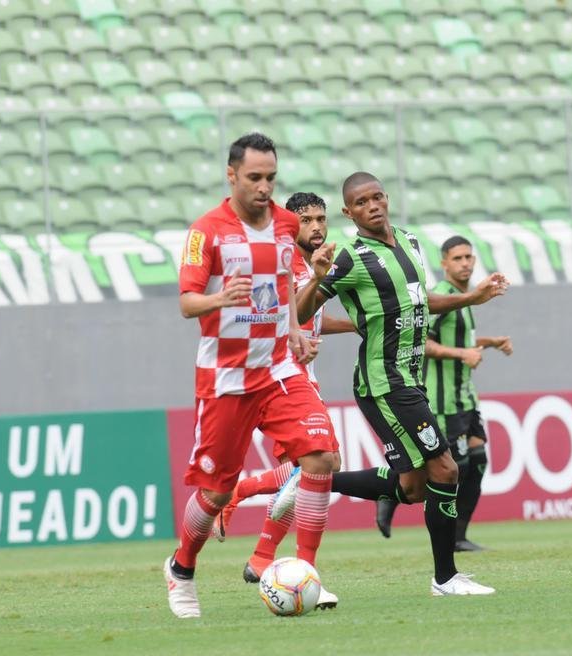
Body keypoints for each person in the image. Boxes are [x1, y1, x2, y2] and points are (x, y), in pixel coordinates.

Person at [293, 172, 508, 596]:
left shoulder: (409, 242)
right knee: (445, 469)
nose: (372, 206)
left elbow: (422, 302)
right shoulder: (349, 258)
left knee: (411, 488)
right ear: (348, 212)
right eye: (361, 202)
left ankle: (309, 482)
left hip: (410, 379)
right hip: (385, 383)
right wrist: (317, 278)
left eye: (377, 197)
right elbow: (301, 314)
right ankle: (446, 578)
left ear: (386, 199)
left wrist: (471, 297)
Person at [163, 133, 340, 618]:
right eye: (255, 178)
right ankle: (181, 568)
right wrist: (220, 299)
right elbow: (186, 303)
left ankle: (307, 573)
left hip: (279, 366)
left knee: (322, 456)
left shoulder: (285, 224)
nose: (264, 188)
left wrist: (294, 331)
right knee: (216, 490)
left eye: (271, 178)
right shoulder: (208, 232)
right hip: (227, 377)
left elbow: (283, 284)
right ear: (232, 176)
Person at [208, 191, 355, 584]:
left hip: (304, 372)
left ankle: (262, 555)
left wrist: (357, 324)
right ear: (291, 225)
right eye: (306, 220)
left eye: (321, 219)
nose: (317, 227)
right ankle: (258, 523)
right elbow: (290, 314)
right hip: (285, 376)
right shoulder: (285, 264)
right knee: (321, 465)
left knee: (312, 469)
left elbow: (313, 318)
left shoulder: (312, 266)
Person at [373, 235, 513, 550]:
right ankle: (390, 493)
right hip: (444, 402)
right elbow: (422, 342)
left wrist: (490, 342)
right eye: (458, 258)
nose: (465, 263)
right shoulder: (443, 298)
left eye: (469, 257)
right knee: (449, 469)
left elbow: (460, 339)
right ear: (444, 263)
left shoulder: (467, 296)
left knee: (476, 464)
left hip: (466, 399)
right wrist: (462, 355)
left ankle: (458, 538)